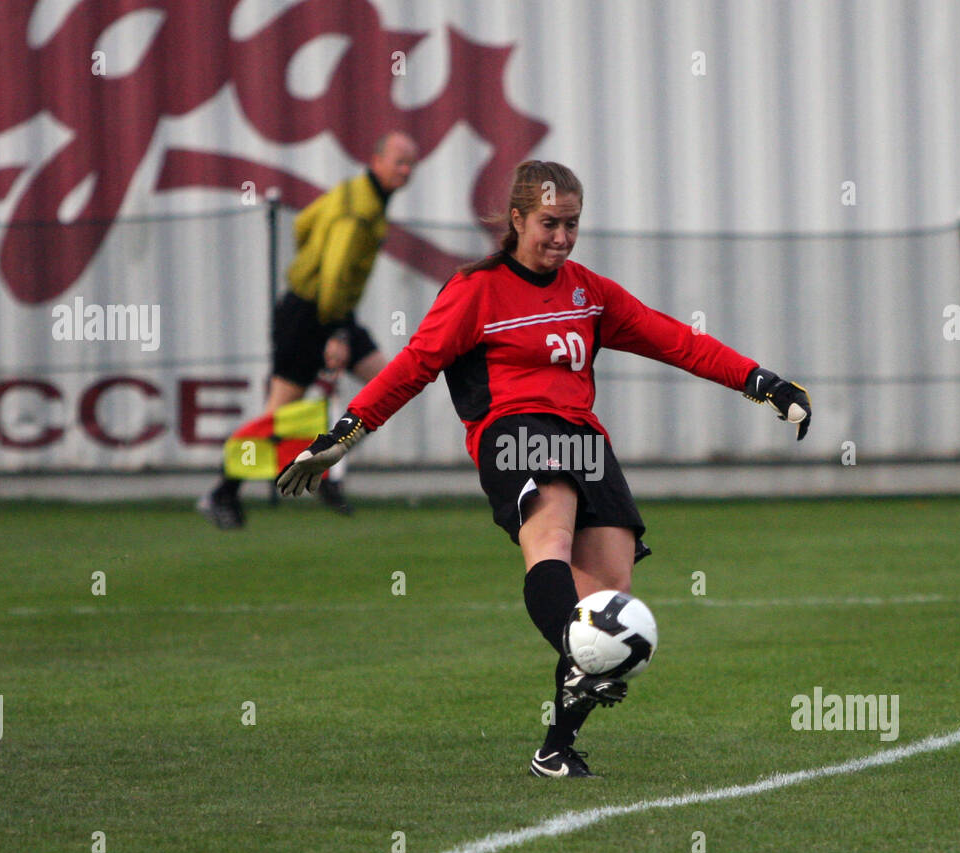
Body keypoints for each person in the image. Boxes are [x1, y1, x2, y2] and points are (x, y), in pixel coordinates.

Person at [277, 160, 811, 777]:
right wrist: (349, 430)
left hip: (584, 438)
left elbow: (675, 340)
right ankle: (582, 656)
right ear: (517, 219)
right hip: (511, 432)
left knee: (611, 595)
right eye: (549, 223)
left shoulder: (588, 291)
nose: (561, 237)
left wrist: (762, 382)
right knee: (552, 532)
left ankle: (555, 747)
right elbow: (414, 365)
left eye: (573, 225)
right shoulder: (476, 288)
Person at [198, 131, 419, 528]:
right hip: (312, 312)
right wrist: (336, 331)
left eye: (411, 164)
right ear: (377, 160)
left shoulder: (352, 191)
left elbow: (304, 224)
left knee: (385, 382)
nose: (406, 171)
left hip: (331, 309)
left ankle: (324, 463)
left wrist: (319, 278)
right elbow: (334, 274)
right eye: (399, 162)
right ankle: (223, 492)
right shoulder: (360, 210)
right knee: (279, 413)